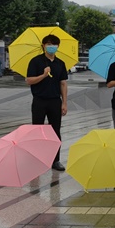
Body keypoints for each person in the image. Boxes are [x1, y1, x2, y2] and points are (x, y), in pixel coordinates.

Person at [26, 34, 68, 171]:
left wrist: (64, 103)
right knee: (37, 130)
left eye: (54, 44)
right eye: (49, 44)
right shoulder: (36, 61)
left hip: (55, 101)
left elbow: (63, 84)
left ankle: (56, 160)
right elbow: (29, 80)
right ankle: (36, 159)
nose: (52, 47)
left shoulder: (60, 63)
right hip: (39, 100)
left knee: (56, 131)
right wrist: (43, 75)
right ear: (43, 46)